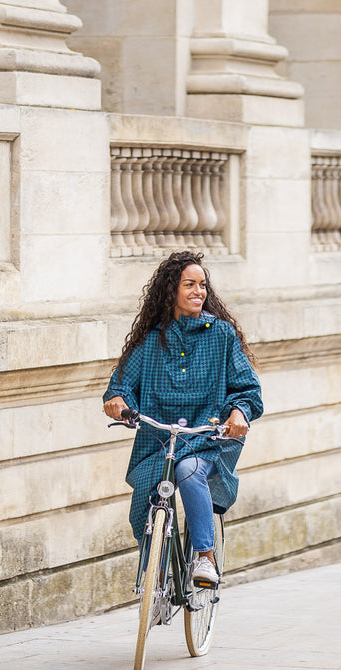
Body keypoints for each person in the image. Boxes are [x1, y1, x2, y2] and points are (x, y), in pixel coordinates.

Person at [103, 250, 263, 585]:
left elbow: (247, 389)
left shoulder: (221, 335)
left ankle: (205, 557)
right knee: (150, 489)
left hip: (206, 439)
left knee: (188, 472)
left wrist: (238, 412)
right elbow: (121, 387)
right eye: (189, 284)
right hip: (159, 440)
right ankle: (155, 574)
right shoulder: (151, 340)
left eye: (202, 285)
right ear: (171, 290)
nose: (198, 291)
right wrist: (117, 401)